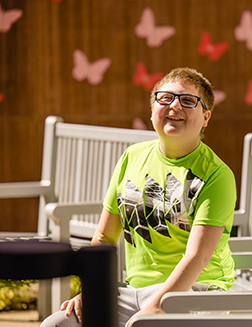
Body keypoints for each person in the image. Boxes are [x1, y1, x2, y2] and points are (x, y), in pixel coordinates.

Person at [40, 67, 237, 327]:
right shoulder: (132, 157)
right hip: (134, 293)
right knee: (57, 325)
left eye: (188, 101)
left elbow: (196, 257)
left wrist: (157, 306)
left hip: (198, 292)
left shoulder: (217, 175)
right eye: (165, 98)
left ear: (205, 118)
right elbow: (104, 236)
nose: (175, 106)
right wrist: (91, 291)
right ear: (152, 108)